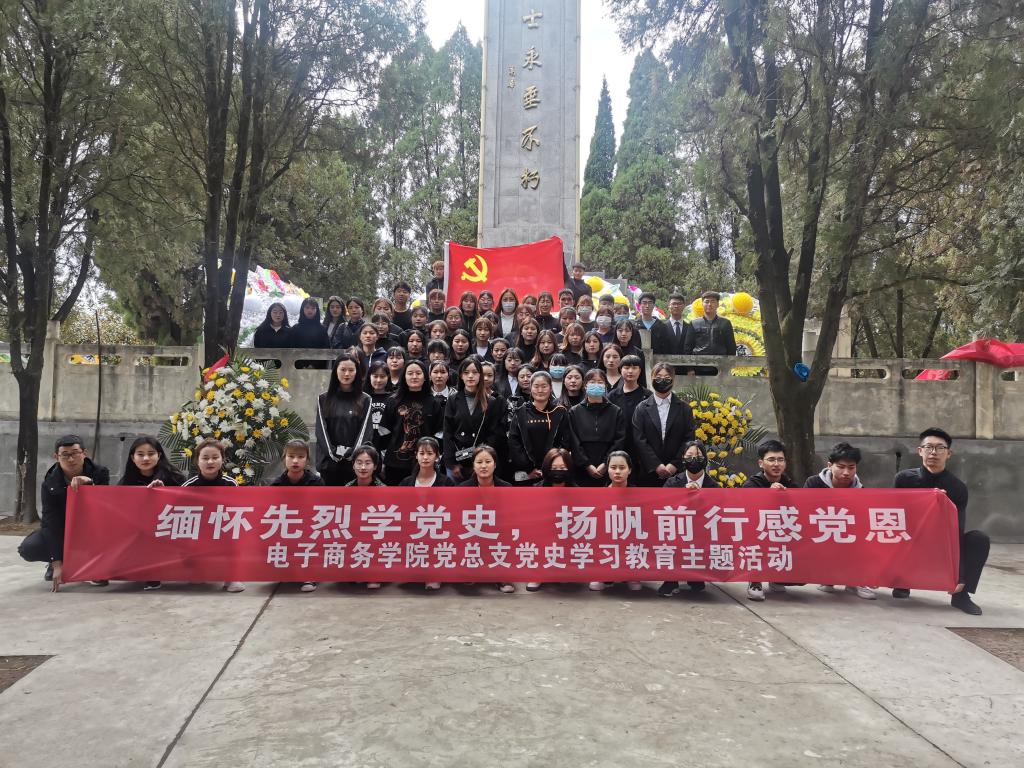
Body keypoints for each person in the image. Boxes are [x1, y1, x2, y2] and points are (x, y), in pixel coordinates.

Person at [893, 427, 989, 615]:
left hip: (941, 543)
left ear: (949, 453)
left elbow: (956, 532)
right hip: (911, 538)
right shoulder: (904, 479)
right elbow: (895, 517)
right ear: (920, 451)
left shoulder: (957, 487)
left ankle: (960, 595)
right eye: (928, 447)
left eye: (940, 448)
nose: (933, 453)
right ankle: (902, 581)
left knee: (979, 539)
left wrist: (959, 576)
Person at [19, 435, 111, 592]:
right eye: (65, 455)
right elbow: (50, 523)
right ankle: (57, 560)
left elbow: (106, 506)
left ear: (84, 453)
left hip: (93, 528)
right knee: (29, 548)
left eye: (75, 453)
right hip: (64, 528)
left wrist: (90, 484)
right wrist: (57, 562)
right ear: (56, 457)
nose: (71, 459)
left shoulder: (100, 473)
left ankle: (93, 564)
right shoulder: (50, 482)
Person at [113, 436, 185, 591]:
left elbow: (187, 504)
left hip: (169, 527)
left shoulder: (175, 477)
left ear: (159, 455)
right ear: (132, 458)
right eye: (140, 454)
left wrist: (164, 493)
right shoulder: (126, 482)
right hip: (139, 530)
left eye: (151, 454)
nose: (146, 458)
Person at [805, 442, 876, 600]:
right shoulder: (814, 483)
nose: (846, 472)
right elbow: (805, 513)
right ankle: (828, 578)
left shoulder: (861, 490)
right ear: (830, 465)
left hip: (847, 536)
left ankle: (857, 580)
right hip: (820, 533)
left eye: (851, 467)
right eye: (841, 467)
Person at [181, 438, 244, 593]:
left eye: (215, 457)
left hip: (223, 529)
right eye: (205, 458)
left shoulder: (231, 484)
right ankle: (198, 570)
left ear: (222, 459)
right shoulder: (189, 485)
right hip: (198, 531)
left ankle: (231, 577)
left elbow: (237, 510)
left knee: (233, 535)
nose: (210, 462)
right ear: (197, 461)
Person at [660, 440, 719, 596]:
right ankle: (671, 579)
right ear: (683, 459)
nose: (694, 460)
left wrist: (701, 498)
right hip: (676, 531)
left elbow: (718, 514)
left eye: (698, 456)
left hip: (702, 532)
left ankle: (695, 576)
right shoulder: (672, 482)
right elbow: (661, 509)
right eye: (689, 456)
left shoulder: (713, 486)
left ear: (705, 459)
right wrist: (682, 497)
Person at [743, 439, 799, 602]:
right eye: (771, 459)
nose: (776, 464)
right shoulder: (752, 483)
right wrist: (768, 494)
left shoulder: (790, 484)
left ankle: (776, 578)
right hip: (758, 532)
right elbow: (746, 510)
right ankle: (755, 580)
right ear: (761, 463)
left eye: (780, 460)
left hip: (781, 532)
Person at [267, 440, 325, 593]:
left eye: (300, 457)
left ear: (307, 460)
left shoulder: (316, 482)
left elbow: (322, 510)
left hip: (309, 527)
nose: (295, 461)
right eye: (291, 456)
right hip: (286, 527)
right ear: (284, 458)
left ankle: (309, 575)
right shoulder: (276, 485)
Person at [376, 359, 444, 485]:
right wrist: (385, 458)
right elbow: (384, 432)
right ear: (404, 377)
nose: (414, 376)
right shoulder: (393, 401)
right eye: (410, 373)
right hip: (395, 463)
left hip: (425, 463)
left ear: (425, 377)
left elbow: (439, 433)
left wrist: (434, 457)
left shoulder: (434, 403)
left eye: (418, 373)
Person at [458, 445, 514, 593]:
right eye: (479, 462)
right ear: (473, 465)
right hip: (472, 532)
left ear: (495, 464)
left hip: (498, 534)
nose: (483, 466)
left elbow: (512, 517)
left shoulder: (506, 488)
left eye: (488, 462)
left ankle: (501, 576)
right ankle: (471, 569)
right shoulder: (462, 489)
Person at [631, 363, 695, 487]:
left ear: (673, 380)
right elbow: (639, 439)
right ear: (652, 379)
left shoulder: (685, 409)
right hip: (648, 471)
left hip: (677, 472)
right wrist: (656, 465)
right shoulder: (641, 408)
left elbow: (689, 439)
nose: (662, 381)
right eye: (658, 377)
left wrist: (675, 464)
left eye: (667, 378)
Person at [315, 352, 373, 486]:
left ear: (357, 372)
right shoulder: (323, 399)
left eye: (351, 370)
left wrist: (352, 454)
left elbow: (365, 432)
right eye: (343, 369)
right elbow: (321, 431)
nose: (347, 374)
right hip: (329, 464)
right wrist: (332, 454)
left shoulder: (365, 399)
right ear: (335, 371)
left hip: (354, 465)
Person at [443, 358, 503, 482]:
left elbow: (493, 434)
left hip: (481, 460)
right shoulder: (453, 399)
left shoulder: (491, 401)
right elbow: (448, 432)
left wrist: (480, 461)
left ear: (480, 375)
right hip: (456, 458)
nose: (470, 376)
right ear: (461, 375)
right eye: (466, 372)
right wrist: (452, 463)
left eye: (475, 372)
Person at [526, 448, 577, 592]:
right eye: (554, 468)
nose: (558, 471)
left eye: (562, 468)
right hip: (542, 535)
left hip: (566, 534)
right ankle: (538, 573)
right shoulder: (536, 490)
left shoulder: (577, 492)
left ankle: (562, 568)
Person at [591, 451, 642, 592]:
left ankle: (632, 575)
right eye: (613, 467)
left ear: (629, 470)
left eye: (622, 467)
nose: (617, 471)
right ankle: (601, 574)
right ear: (607, 470)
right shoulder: (598, 495)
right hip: (606, 541)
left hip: (630, 540)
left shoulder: (640, 494)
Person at [509, 370, 569, 485]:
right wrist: (529, 468)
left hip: (553, 471)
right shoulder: (520, 412)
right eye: (536, 386)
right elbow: (514, 442)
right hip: (527, 473)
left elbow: (565, 442)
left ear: (550, 388)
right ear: (531, 388)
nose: (540, 390)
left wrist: (551, 466)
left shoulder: (560, 412)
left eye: (544, 386)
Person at [568, 369, 626, 487]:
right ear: (585, 385)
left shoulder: (616, 411)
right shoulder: (574, 411)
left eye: (600, 382)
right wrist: (587, 465)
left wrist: (606, 463)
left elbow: (619, 440)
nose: (596, 385)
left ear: (605, 386)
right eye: (592, 382)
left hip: (609, 467)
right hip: (582, 468)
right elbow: (574, 441)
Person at [345, 445, 387, 590]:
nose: (363, 467)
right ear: (353, 465)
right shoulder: (347, 488)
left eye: (368, 463)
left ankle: (375, 574)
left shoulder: (383, 490)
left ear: (375, 466)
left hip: (376, 531)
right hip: (354, 531)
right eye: (359, 462)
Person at [608, 354, 651, 461]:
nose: (630, 371)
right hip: (618, 447)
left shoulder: (648, 396)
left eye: (634, 368)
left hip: (641, 448)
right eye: (626, 368)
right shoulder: (612, 396)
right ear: (620, 370)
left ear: (640, 370)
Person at [683, 291, 738, 374]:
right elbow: (688, 348)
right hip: (698, 367)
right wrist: (690, 369)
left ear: (718, 304)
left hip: (720, 368)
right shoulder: (694, 323)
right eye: (707, 301)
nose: (709, 304)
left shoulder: (725, 323)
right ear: (702, 304)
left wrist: (727, 368)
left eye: (713, 301)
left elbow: (731, 347)